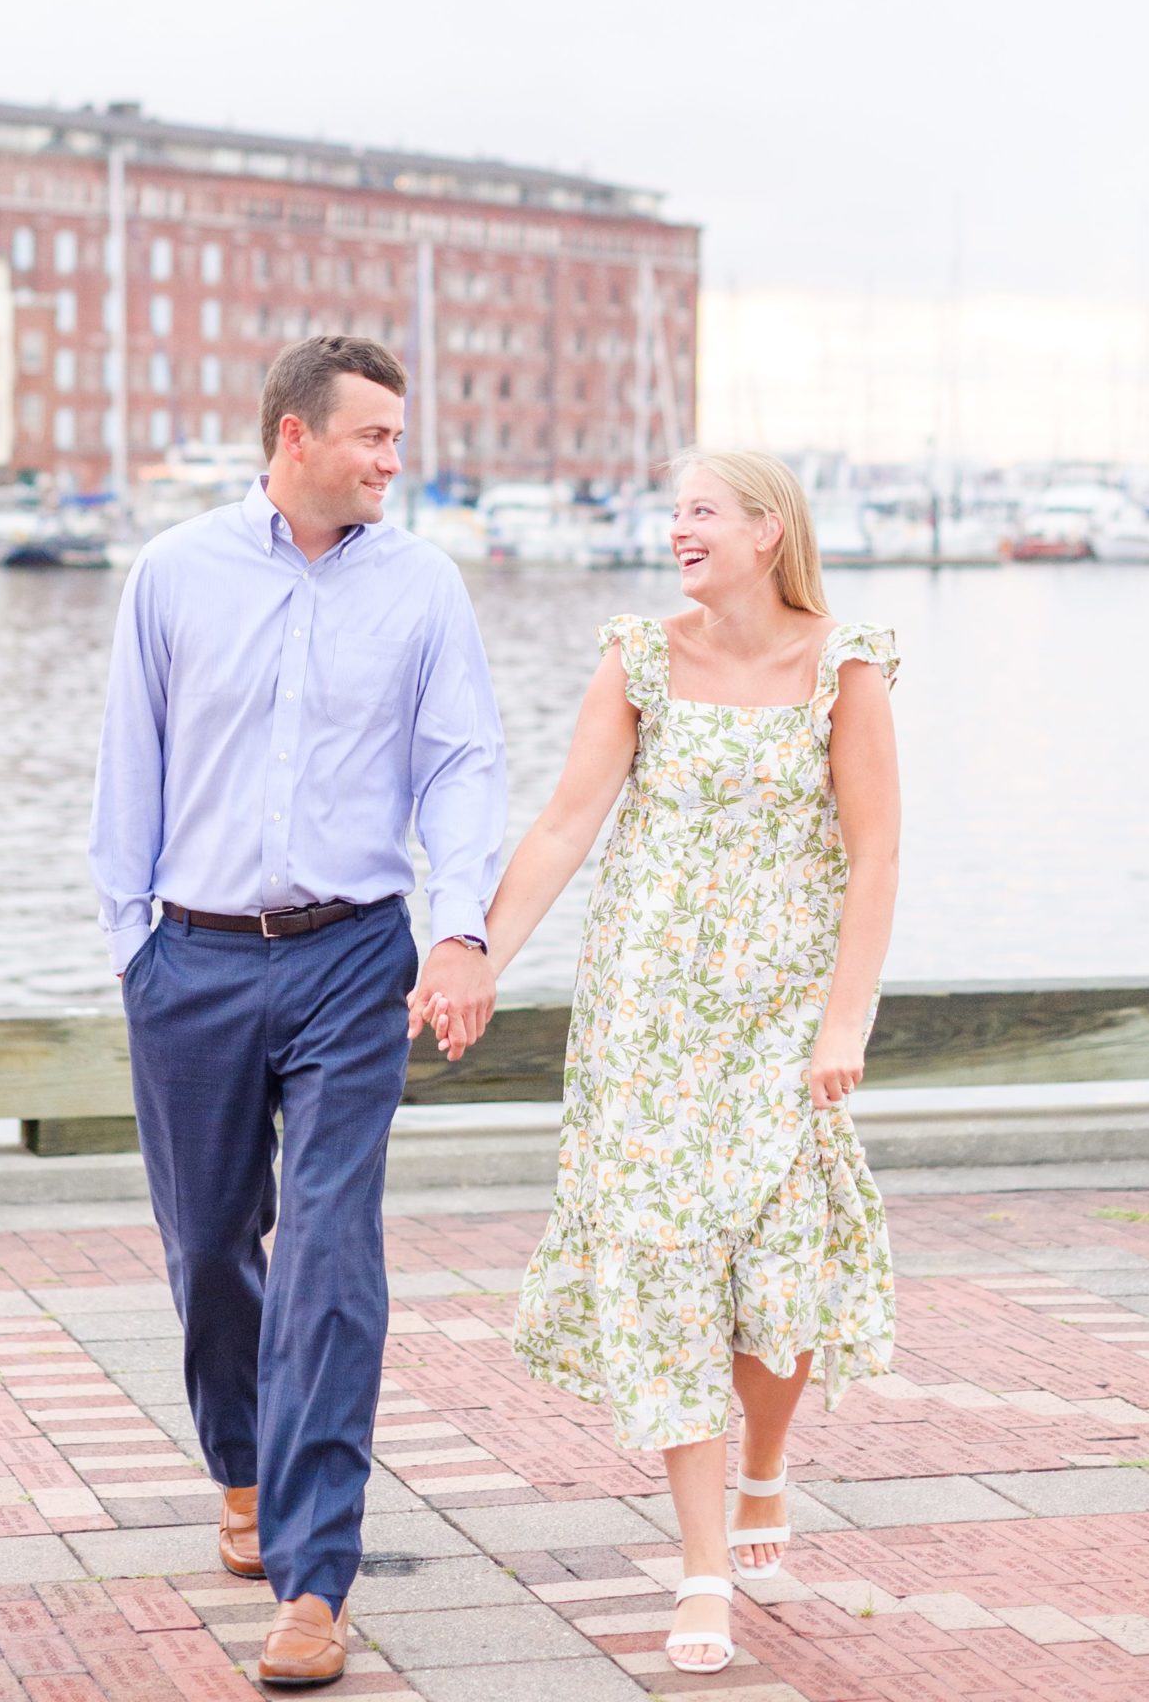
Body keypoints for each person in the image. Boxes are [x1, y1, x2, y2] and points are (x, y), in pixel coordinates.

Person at [416, 451, 899, 1676]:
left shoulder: (844, 668)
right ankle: (698, 1570)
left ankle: (763, 1467)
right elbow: (566, 822)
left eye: (699, 511)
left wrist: (843, 1022)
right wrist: (475, 951)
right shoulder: (639, 657)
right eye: (673, 510)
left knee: (781, 1283)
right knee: (671, 1279)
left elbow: (877, 856)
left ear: (764, 530)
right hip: (645, 1028)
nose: (676, 528)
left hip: (781, 1026)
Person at [90, 336, 507, 1691]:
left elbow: (461, 767)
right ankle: (241, 1469)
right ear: (292, 437)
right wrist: (131, 951)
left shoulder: (422, 588)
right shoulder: (173, 574)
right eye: (372, 436)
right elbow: (127, 769)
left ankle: (314, 1576)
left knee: (330, 1251)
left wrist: (458, 930)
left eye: (397, 437)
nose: (394, 459)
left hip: (351, 959)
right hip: (193, 962)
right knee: (209, 1247)